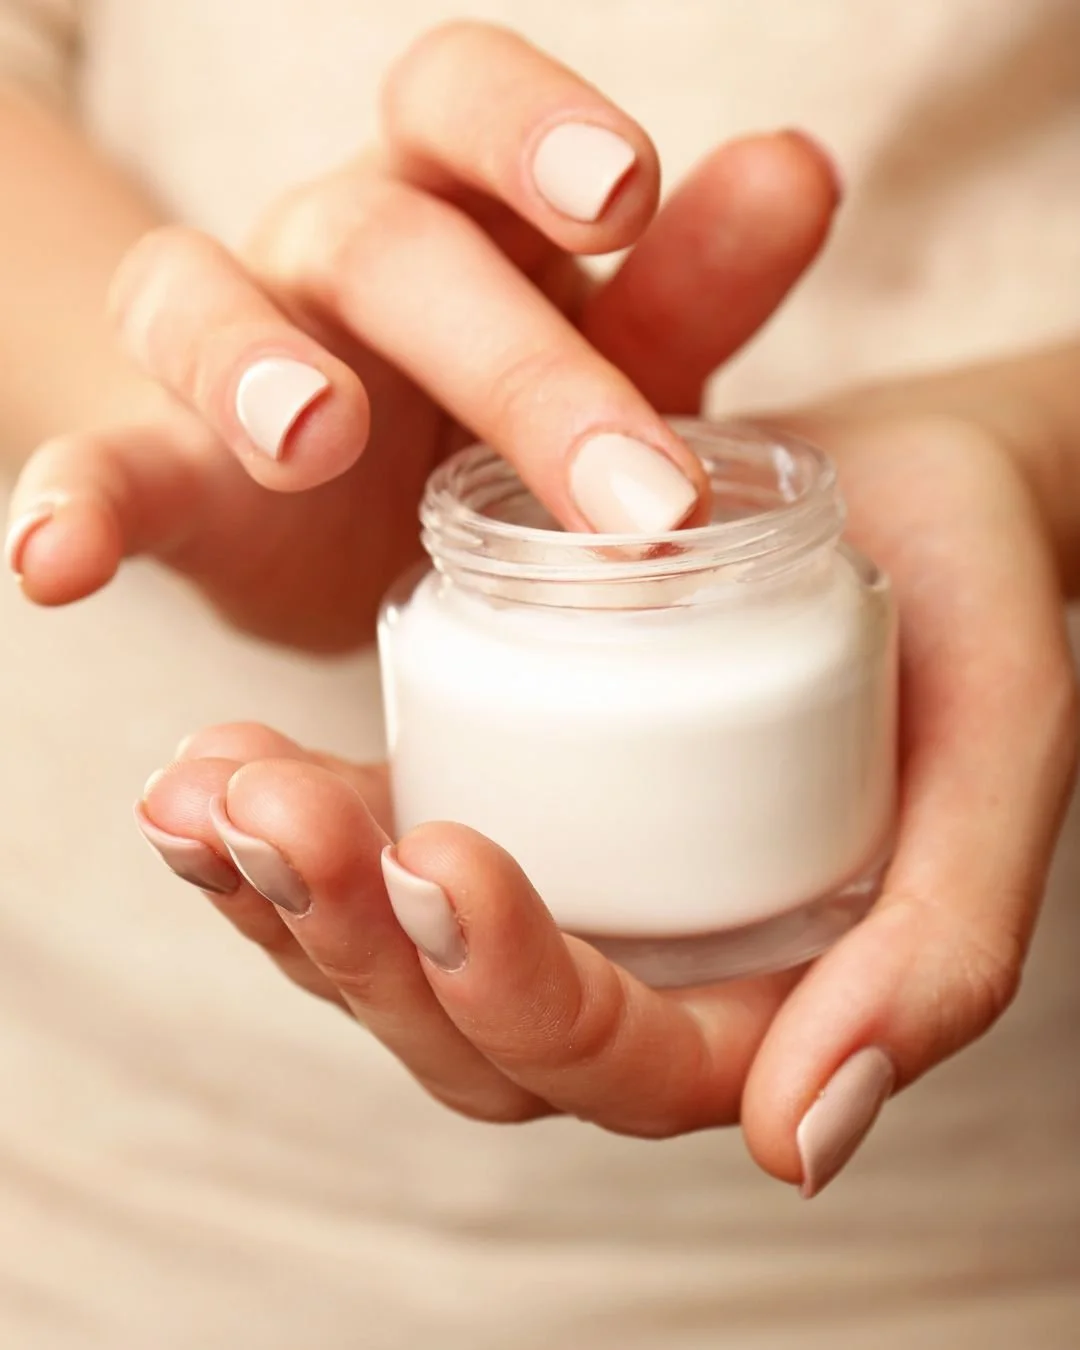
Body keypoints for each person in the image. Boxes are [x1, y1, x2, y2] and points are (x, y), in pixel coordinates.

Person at [1, 4, 1078, 1346]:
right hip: (100, 1212)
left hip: (990, 1252)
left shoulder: (839, 608)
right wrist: (198, 401)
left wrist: (1031, 453)